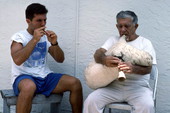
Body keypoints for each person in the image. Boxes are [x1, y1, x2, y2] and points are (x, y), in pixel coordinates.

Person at [10, 3, 83, 113]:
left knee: (75, 83)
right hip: (24, 77)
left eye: (45, 20)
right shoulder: (19, 37)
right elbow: (17, 60)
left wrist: (54, 43)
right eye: (39, 20)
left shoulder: (44, 37)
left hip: (45, 76)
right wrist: (34, 40)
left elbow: (60, 59)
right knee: (28, 87)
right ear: (28, 21)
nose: (43, 24)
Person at [83, 10, 156, 113]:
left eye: (127, 26)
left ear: (136, 26)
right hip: (113, 86)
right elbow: (98, 54)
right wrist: (104, 60)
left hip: (137, 87)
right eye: (119, 26)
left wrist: (133, 68)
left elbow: (149, 69)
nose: (122, 29)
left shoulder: (145, 43)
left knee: (147, 105)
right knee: (91, 101)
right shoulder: (113, 40)